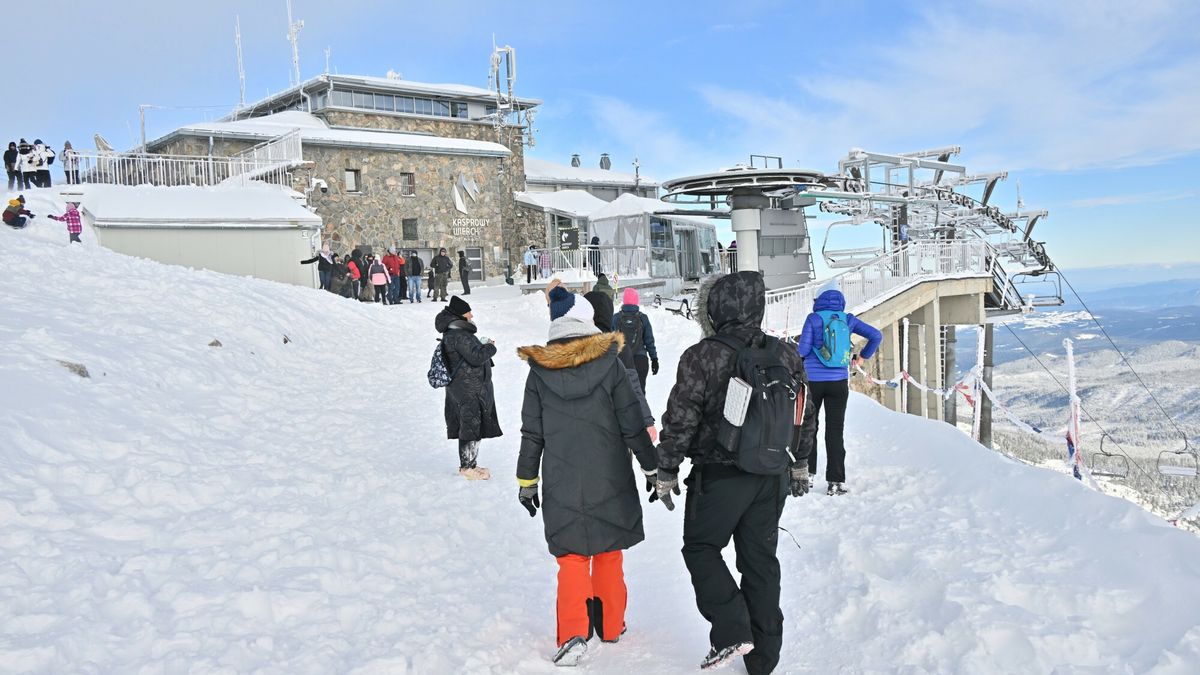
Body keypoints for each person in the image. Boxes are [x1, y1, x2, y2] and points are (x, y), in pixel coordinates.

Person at [652, 270, 815, 674]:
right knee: (760, 561)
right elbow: (804, 413)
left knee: (702, 549)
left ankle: (731, 630)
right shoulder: (786, 354)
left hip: (719, 475)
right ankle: (763, 659)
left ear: (715, 307)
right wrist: (802, 463)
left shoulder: (703, 355)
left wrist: (666, 468)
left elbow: (681, 417)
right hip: (771, 474)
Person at [516, 287, 658, 666]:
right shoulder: (610, 365)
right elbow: (632, 421)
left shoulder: (539, 373)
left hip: (562, 477)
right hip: (609, 472)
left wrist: (527, 481)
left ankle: (574, 634)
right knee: (609, 550)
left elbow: (533, 434)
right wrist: (651, 465)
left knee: (573, 557)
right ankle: (611, 626)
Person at [796, 286, 882, 495]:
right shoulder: (848, 319)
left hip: (813, 381)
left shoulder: (814, 319)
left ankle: (808, 476)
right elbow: (876, 335)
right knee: (835, 430)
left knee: (810, 427)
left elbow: (803, 350)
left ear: (819, 301)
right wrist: (862, 356)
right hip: (838, 382)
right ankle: (835, 481)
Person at [436, 295, 502, 479]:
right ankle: (467, 468)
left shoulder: (456, 333)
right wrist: (490, 347)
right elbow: (475, 357)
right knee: (469, 425)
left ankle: (471, 464)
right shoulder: (459, 335)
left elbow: (469, 355)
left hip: (467, 386)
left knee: (473, 425)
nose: (471, 315)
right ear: (460, 315)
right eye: (468, 312)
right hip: (467, 388)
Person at [612, 288, 658, 392]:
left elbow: (610, 341)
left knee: (622, 394)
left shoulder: (615, 318)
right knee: (640, 392)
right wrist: (654, 359)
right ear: (636, 301)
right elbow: (649, 341)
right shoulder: (643, 318)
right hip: (640, 360)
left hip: (621, 361)